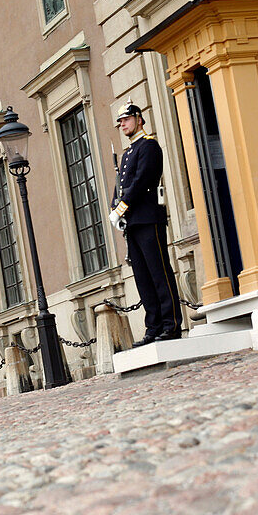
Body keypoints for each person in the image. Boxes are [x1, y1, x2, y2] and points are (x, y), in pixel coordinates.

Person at [109, 102, 182, 347]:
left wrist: (121, 207)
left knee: (158, 272)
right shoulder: (128, 152)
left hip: (149, 218)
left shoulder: (149, 145)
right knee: (142, 276)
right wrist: (114, 207)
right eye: (120, 122)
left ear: (139, 119)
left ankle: (171, 324)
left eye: (126, 119)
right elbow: (121, 184)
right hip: (133, 222)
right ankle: (154, 327)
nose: (123, 125)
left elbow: (141, 181)